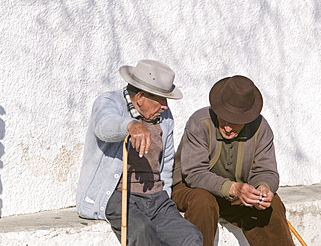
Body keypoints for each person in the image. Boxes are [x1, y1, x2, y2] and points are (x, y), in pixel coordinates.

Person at [76, 59, 203, 246]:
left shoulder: (164, 117)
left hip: (156, 198)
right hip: (117, 195)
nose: (165, 105)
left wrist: (164, 196)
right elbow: (103, 126)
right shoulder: (109, 101)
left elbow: (166, 163)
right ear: (141, 97)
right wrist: (130, 125)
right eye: (161, 99)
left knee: (190, 236)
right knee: (142, 233)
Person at [172, 75, 295, 246]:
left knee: (272, 203)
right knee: (203, 201)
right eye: (224, 118)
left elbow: (266, 171)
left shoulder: (261, 128)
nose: (228, 127)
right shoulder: (200, 123)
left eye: (236, 122)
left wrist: (264, 188)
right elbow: (194, 174)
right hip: (191, 188)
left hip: (233, 195)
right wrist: (234, 188)